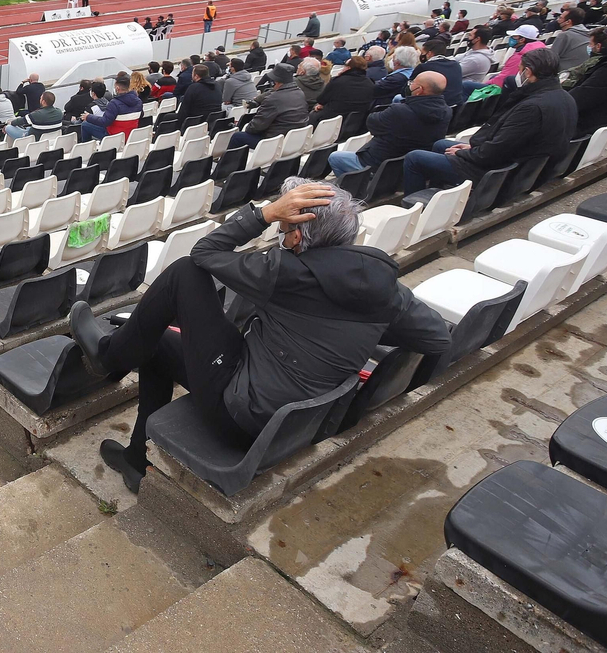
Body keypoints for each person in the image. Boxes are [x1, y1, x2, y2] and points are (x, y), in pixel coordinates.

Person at [66, 179, 450, 491]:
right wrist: (349, 334)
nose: (279, 233)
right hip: (292, 422)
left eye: (283, 228)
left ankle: (108, 357)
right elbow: (437, 339)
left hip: (242, 416)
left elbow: (204, 253)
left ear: (297, 238)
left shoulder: (286, 273)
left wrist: (264, 213)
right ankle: (136, 461)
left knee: (182, 273)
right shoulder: (386, 289)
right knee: (159, 346)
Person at [403, 49, 577, 194]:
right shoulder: (565, 97)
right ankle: (441, 195)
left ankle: (413, 208)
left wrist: (466, 153)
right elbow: (508, 142)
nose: (518, 74)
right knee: (441, 144)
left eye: (520, 69)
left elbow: (495, 152)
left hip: (499, 172)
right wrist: (472, 148)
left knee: (414, 158)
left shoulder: (531, 108)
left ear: (528, 72)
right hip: (517, 162)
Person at [328, 72, 451, 176]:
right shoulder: (447, 111)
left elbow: (371, 123)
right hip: (408, 165)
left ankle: (357, 188)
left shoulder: (399, 111)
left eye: (413, 83)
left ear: (419, 90)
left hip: (377, 164)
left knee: (335, 157)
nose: (410, 85)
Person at [230, 63, 306, 149]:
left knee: (237, 137)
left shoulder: (273, 99)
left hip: (273, 141)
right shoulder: (300, 93)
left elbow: (256, 127)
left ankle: (229, 158)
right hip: (293, 140)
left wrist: (247, 128)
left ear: (276, 81)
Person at [311, 56, 374, 127]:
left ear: (348, 68)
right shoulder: (370, 83)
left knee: (313, 114)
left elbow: (321, 100)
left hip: (333, 119)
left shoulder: (338, 81)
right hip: (357, 122)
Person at [412, 39, 466, 107]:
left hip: (432, 107)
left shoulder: (423, 67)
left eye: (422, 53)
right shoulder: (456, 65)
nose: (421, 55)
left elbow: (407, 91)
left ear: (429, 53)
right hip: (456, 106)